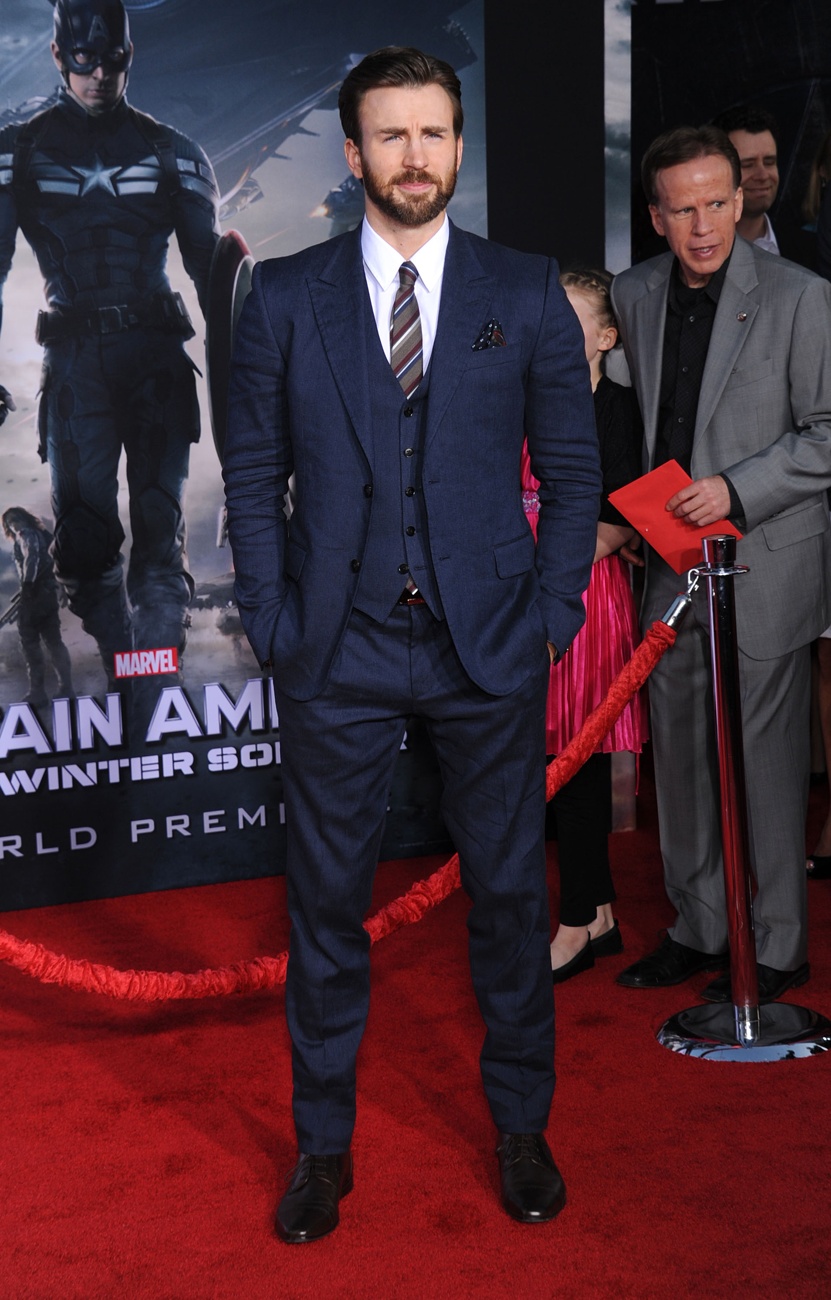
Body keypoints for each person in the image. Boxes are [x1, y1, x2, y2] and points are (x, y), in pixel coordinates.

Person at [223, 46, 601, 1243]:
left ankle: (522, 1126)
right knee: (326, 906)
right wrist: (273, 619)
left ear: (458, 144)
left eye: (434, 132)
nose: (415, 155)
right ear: (353, 153)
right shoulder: (283, 296)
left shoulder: (524, 291)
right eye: (391, 134)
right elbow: (251, 475)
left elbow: (574, 473)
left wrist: (553, 613)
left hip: (488, 642)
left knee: (510, 898)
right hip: (334, 647)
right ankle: (321, 1149)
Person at [611, 125, 831, 1004]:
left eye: (715, 203)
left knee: (765, 762)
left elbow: (826, 434)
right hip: (670, 564)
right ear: (655, 216)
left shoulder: (800, 297)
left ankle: (776, 945)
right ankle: (699, 927)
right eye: (682, 209)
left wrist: (736, 490)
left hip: (763, 559)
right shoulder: (632, 293)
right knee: (681, 757)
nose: (701, 226)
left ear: (739, 201)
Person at [0, 0, 220, 694]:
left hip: (155, 361)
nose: (99, 75)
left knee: (158, 540)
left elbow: (217, 277)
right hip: (77, 365)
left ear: (130, 57)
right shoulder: (18, 152)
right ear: (59, 57)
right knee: (86, 551)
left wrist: (255, 373)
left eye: (113, 60)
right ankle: (130, 674)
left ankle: (150, 692)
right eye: (85, 60)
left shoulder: (173, 152)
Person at [521, 269, 646, 983]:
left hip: (584, 598)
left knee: (575, 762)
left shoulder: (618, 410)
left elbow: (614, 526)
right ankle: (597, 915)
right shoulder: (522, 400)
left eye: (568, 321)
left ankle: (575, 923)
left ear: (606, 337)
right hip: (531, 593)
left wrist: (527, 549)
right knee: (556, 764)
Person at [711, 105, 815, 267]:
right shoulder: (689, 252)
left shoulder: (811, 250)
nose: (763, 175)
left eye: (769, 162)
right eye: (747, 165)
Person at [2, 506, 73, 706]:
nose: (14, 525)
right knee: (53, 641)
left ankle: (38, 692)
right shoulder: (44, 535)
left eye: (15, 520)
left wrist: (28, 585)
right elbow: (56, 562)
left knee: (30, 642)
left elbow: (32, 557)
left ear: (23, 519)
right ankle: (66, 688)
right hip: (47, 593)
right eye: (9, 522)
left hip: (35, 594)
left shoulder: (26, 534)